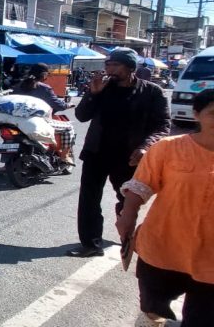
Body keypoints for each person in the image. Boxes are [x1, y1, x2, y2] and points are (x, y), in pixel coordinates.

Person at [115, 88, 214, 327]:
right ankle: (158, 323)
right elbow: (140, 186)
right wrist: (128, 216)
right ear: (197, 115)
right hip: (163, 248)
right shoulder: (168, 148)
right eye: (213, 113)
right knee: (152, 306)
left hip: (210, 260)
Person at [67, 47, 170, 258]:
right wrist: (92, 94)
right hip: (97, 153)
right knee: (89, 200)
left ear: (130, 68)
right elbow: (82, 115)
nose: (109, 69)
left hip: (128, 157)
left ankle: (127, 237)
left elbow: (162, 126)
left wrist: (145, 147)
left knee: (126, 200)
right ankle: (91, 244)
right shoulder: (102, 87)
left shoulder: (152, 92)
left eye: (115, 65)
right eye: (108, 65)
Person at [12, 63, 76, 166]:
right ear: (44, 75)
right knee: (68, 128)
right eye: (47, 74)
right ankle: (64, 156)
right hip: (39, 121)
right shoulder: (44, 88)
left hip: (17, 121)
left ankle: (7, 164)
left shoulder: (18, 86)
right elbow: (57, 104)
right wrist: (68, 105)